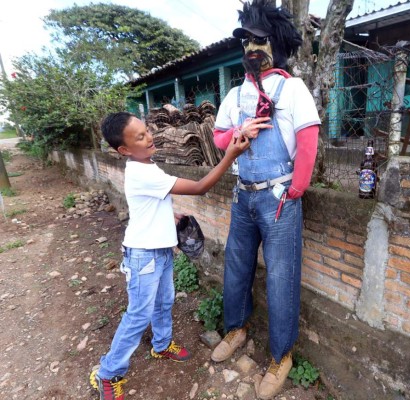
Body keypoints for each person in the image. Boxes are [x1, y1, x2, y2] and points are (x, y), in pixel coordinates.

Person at [90, 112, 250, 400]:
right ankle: (107, 373)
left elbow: (149, 202)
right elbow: (200, 188)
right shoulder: (143, 172)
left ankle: (161, 344)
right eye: (139, 136)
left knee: (163, 302)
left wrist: (168, 214)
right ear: (123, 150)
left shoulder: (144, 166)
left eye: (147, 130)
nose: (149, 136)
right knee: (138, 315)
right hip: (144, 257)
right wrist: (231, 154)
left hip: (161, 251)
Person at [211, 1, 320, 398]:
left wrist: (296, 189)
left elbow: (308, 141)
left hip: (278, 199)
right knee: (236, 267)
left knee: (281, 279)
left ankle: (281, 356)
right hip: (243, 197)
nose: (251, 49)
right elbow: (219, 137)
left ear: (275, 43)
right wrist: (239, 132)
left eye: (258, 40)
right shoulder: (237, 93)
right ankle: (236, 328)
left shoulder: (292, 88)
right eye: (246, 41)